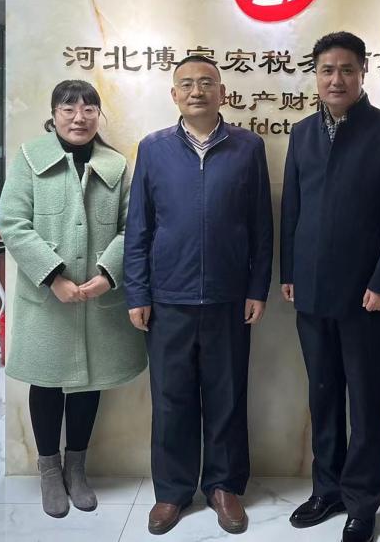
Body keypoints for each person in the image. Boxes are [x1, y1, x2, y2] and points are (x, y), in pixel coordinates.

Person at [124, 54, 273, 536]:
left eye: (206, 83)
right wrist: (137, 292)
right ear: (174, 95)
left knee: (227, 397)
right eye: (186, 84)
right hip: (168, 297)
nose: (196, 91)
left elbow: (261, 226)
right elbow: (139, 227)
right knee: (171, 399)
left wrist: (257, 287)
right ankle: (172, 491)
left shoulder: (248, 147)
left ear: (222, 92)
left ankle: (224, 486)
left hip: (229, 297)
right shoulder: (153, 148)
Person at [280, 32, 380, 542]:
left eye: (346, 69)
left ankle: (362, 501)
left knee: (363, 402)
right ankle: (328, 489)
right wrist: (289, 272)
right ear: (316, 76)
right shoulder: (302, 132)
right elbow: (292, 207)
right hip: (312, 291)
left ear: (362, 73)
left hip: (368, 297)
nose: (335, 79)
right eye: (326, 70)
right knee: (322, 397)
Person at [0, 79, 147, 519]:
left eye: (88, 109)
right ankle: (49, 470)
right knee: (46, 381)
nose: (79, 118)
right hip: (47, 298)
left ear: (99, 115)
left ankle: (76, 468)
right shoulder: (30, 158)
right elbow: (13, 224)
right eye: (68, 109)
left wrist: (107, 275)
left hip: (98, 297)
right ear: (54, 115)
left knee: (89, 382)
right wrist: (54, 278)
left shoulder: (116, 165)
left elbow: (133, 227)